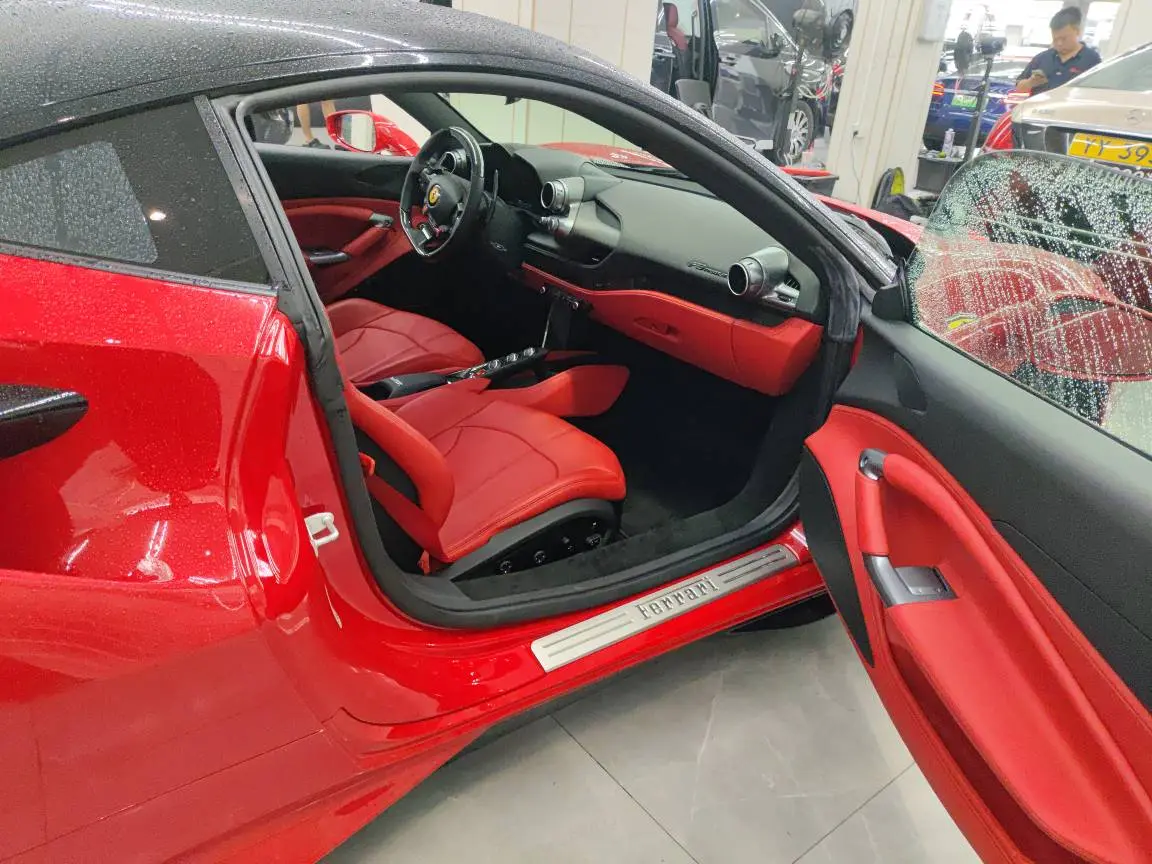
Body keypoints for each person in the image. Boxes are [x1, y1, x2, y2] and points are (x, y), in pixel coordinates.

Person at [1016, 6, 1101, 96]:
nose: (1059, 43)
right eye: (1055, 39)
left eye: (1064, 38)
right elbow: (1019, 87)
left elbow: (1098, 92)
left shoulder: (1092, 60)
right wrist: (1030, 82)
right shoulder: (1042, 58)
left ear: (1077, 31)